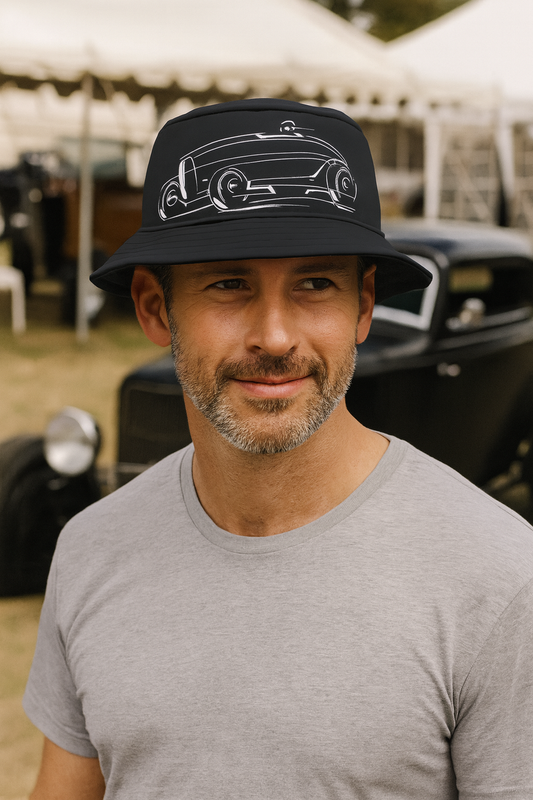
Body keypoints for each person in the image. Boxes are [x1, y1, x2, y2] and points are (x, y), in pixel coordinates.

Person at [24, 99, 533, 800]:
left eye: (315, 283)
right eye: (228, 283)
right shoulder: (90, 549)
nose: (274, 336)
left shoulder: (499, 579)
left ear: (362, 307)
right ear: (153, 307)